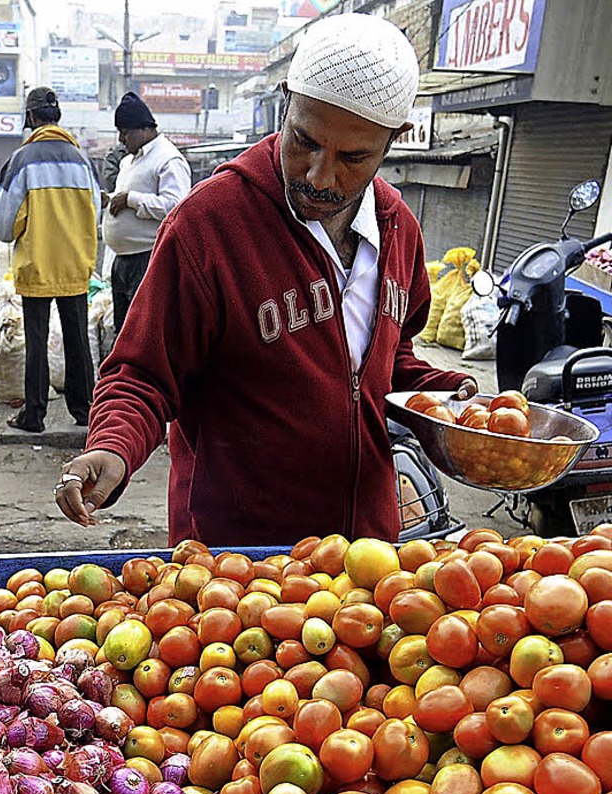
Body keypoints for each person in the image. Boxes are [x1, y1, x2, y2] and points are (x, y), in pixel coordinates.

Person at [55, 14, 477, 545]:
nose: (319, 176)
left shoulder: (399, 230)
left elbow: (388, 361)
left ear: (394, 140)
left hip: (365, 557)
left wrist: (450, 398)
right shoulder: (208, 224)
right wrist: (112, 446)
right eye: (304, 141)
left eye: (352, 157)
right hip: (238, 562)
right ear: (286, 101)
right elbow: (143, 371)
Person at [0, 87, 100, 433]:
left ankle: (33, 415)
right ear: (58, 117)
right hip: (75, 264)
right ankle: (84, 410)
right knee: (77, 338)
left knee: (36, 341)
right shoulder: (83, 160)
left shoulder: (23, 160)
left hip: (37, 264)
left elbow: (3, 223)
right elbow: (94, 212)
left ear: (32, 118)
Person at [102, 92, 192, 333]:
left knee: (143, 331)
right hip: (123, 259)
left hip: (148, 257)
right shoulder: (129, 161)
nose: (122, 139)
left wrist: (132, 199)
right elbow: (125, 198)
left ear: (144, 129)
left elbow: (177, 207)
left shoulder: (167, 159)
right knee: (124, 331)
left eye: (126, 133)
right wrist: (111, 199)